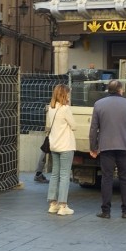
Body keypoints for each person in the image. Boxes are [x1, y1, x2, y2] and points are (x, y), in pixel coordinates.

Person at [89, 79, 126, 219]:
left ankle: (106, 211)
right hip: (125, 146)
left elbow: (94, 128)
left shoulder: (99, 104)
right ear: (120, 90)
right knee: (125, 178)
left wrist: (93, 147)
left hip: (106, 147)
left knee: (107, 178)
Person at [45, 84, 77, 215]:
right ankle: (63, 206)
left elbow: (48, 126)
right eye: (68, 93)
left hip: (54, 145)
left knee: (54, 174)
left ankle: (53, 204)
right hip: (66, 145)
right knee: (64, 175)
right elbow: (74, 126)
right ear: (65, 94)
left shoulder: (50, 108)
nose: (69, 96)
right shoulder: (65, 109)